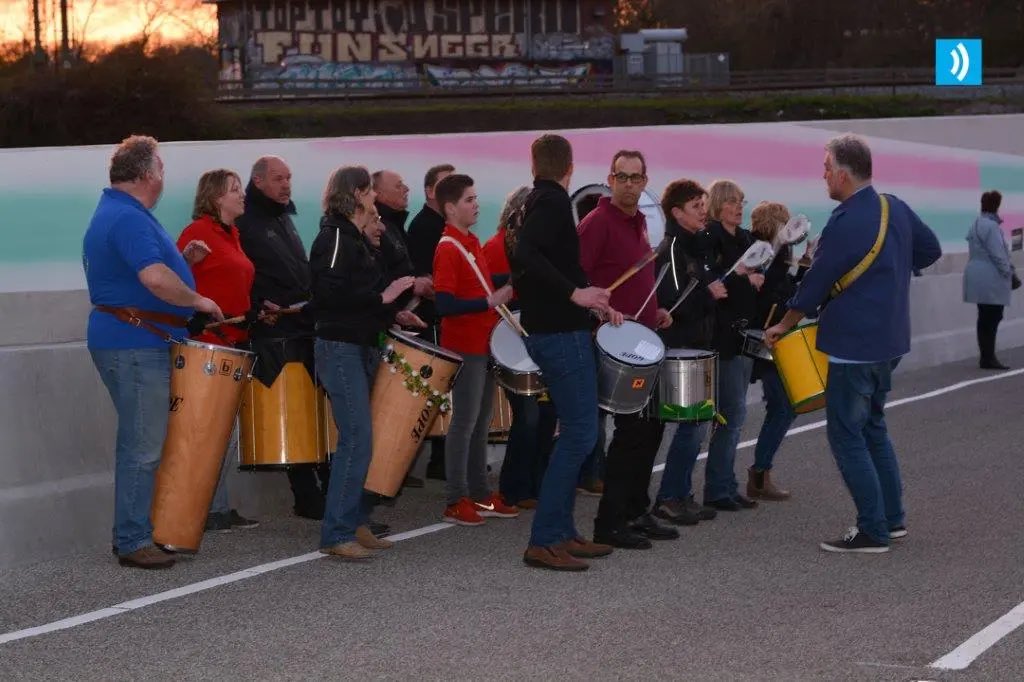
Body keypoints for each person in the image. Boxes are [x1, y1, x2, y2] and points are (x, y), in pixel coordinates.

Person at [766, 133, 941, 553]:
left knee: (846, 434)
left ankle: (872, 530)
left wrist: (783, 324)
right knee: (874, 427)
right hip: (891, 340)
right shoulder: (893, 207)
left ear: (843, 175)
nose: (823, 174)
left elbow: (814, 285)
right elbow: (930, 250)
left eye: (826, 168)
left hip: (853, 345)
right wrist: (892, 271)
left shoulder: (845, 220)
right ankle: (892, 520)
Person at [84, 135, 223, 569]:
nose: (163, 178)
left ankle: (134, 532)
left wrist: (184, 260)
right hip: (134, 343)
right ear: (147, 175)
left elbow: (147, 274)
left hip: (134, 338)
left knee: (142, 441)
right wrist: (199, 301)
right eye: (161, 170)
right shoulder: (129, 218)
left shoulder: (124, 214)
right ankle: (132, 539)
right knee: (142, 445)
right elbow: (155, 280)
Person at [512, 133, 620, 571]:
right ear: (569, 168)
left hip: (556, 328)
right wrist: (575, 295)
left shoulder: (536, 201)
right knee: (580, 434)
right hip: (558, 333)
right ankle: (543, 539)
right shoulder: (553, 203)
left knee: (576, 432)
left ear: (534, 164)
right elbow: (527, 253)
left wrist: (594, 299)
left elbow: (551, 262)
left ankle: (561, 531)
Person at [309, 166, 424, 560]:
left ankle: (353, 521)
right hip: (340, 347)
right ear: (357, 193)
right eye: (371, 191)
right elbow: (327, 294)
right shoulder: (336, 236)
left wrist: (392, 312)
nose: (375, 197)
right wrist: (383, 299)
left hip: (358, 343)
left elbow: (361, 294)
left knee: (363, 439)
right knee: (356, 438)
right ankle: (336, 532)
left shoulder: (354, 239)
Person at [577, 150, 678, 549]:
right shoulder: (597, 222)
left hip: (643, 338)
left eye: (636, 178)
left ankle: (636, 509)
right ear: (610, 178)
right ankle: (610, 522)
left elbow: (636, 282)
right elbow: (576, 280)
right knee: (630, 433)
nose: (629, 184)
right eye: (622, 176)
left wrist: (658, 310)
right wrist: (602, 309)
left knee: (650, 428)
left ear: (645, 180)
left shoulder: (638, 223)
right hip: (616, 346)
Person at [236, 155, 328, 520]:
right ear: (258, 182)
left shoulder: (283, 219)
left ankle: (323, 491)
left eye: (288, 178)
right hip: (274, 332)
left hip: (302, 324)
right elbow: (244, 275)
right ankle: (307, 494)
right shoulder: (246, 223)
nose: (286, 184)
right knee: (293, 411)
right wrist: (259, 305)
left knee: (311, 409)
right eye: (278, 178)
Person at [176, 169, 267, 532]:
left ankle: (215, 506)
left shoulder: (233, 235)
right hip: (208, 346)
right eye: (234, 190)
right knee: (208, 431)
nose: (242, 194)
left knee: (222, 431)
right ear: (216, 198)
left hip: (232, 342)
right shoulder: (198, 232)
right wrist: (186, 263)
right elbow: (175, 278)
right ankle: (204, 508)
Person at [431, 174, 519, 524]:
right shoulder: (448, 248)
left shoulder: (469, 242)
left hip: (482, 343)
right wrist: (490, 300)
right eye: (469, 200)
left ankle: (480, 494)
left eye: (475, 198)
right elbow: (445, 303)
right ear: (450, 208)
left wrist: (512, 280)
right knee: (464, 422)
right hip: (465, 345)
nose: (475, 204)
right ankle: (456, 498)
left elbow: (482, 281)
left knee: (481, 421)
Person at [649, 179, 724, 527]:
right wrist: (710, 294)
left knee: (695, 423)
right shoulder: (673, 248)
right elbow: (671, 300)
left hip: (697, 345)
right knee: (690, 424)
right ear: (676, 213)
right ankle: (669, 497)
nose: (703, 212)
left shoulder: (693, 247)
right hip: (681, 346)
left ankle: (679, 493)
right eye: (696, 206)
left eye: (703, 204)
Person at [483, 186, 558, 510]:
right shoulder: (496, 246)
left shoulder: (539, 245)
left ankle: (536, 484)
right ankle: (513, 486)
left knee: (546, 414)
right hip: (510, 342)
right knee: (528, 416)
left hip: (537, 335)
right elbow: (489, 296)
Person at [697, 179, 762, 512]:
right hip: (723, 337)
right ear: (718, 203)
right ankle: (718, 488)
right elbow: (714, 282)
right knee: (730, 413)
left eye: (742, 201)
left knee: (734, 413)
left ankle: (725, 485)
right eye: (733, 201)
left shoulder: (747, 238)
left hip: (746, 333)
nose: (739, 206)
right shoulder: (710, 238)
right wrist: (743, 278)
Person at [745, 201, 805, 501]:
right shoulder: (771, 254)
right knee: (782, 406)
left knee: (776, 406)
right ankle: (758, 474)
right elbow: (778, 295)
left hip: (755, 338)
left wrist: (804, 266)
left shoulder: (756, 250)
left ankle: (757, 475)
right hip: (763, 339)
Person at [405, 163, 456, 480]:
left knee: (442, 391)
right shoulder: (425, 226)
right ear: (429, 191)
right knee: (432, 391)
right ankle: (436, 459)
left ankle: (441, 457)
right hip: (426, 321)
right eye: (446, 183)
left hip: (435, 318)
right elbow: (426, 276)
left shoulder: (441, 225)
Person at [963, 190, 1015, 370]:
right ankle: (988, 357)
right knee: (993, 317)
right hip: (991, 277)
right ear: (996, 206)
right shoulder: (992, 227)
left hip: (976, 275)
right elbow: (998, 254)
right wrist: (1009, 273)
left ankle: (986, 356)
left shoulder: (976, 224)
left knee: (984, 317)